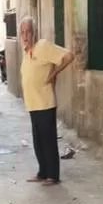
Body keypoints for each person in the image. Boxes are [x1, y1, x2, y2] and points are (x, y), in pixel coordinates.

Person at [19, 16, 73, 185]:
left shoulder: (43, 46)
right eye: (22, 32)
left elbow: (68, 56)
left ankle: (53, 176)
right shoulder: (27, 51)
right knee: (38, 142)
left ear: (34, 32)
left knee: (48, 141)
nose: (25, 35)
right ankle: (42, 172)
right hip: (33, 104)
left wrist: (54, 73)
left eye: (28, 31)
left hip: (45, 103)